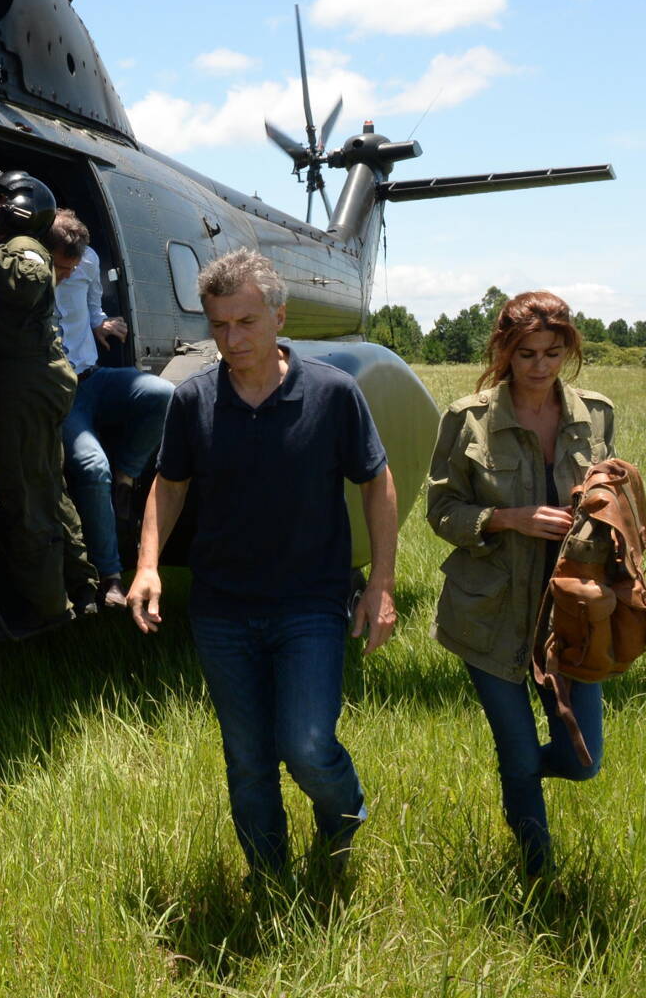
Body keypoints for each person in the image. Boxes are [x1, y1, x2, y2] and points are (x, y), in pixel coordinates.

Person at [127, 247, 398, 879]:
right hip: (223, 609)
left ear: (279, 317)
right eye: (219, 325)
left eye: (245, 322)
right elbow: (169, 486)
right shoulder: (193, 400)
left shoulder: (333, 393)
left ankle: (344, 815)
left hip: (311, 603)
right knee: (247, 756)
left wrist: (380, 583)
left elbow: (376, 481)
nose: (231, 338)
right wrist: (148, 565)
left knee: (305, 745)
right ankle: (270, 881)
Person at [425, 290, 613, 880]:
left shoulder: (597, 414)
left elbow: (612, 504)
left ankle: (520, 777)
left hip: (571, 615)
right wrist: (507, 518)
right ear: (505, 350)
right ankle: (539, 875)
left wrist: (610, 562)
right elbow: (440, 509)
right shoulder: (468, 417)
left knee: (584, 760)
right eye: (527, 352)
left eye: (554, 352)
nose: (540, 365)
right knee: (515, 750)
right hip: (488, 613)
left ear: (569, 350)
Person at [0, 169, 97, 627]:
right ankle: (82, 587)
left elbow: (24, 282)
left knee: (27, 494)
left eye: (0, 199)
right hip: (31, 379)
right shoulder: (19, 248)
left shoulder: (25, 248)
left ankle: (50, 610)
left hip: (28, 380)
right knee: (45, 486)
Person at [40, 210, 173, 611]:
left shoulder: (90, 259)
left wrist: (100, 325)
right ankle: (111, 577)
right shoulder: (28, 270)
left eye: (75, 265)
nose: (70, 272)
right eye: (63, 267)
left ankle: (127, 477)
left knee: (163, 393)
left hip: (94, 376)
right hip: (61, 391)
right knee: (90, 466)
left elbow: (93, 306)